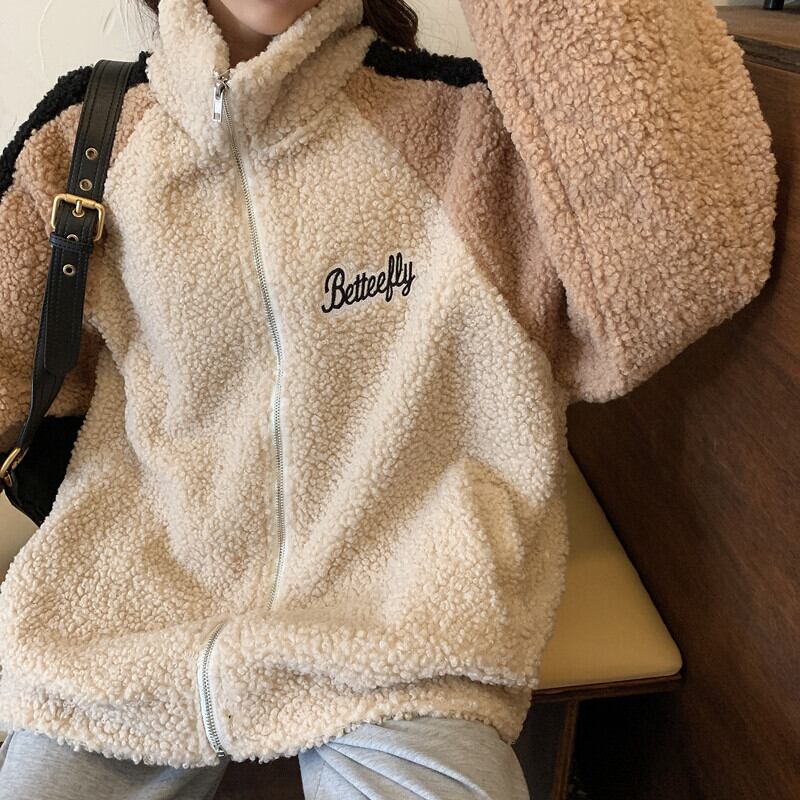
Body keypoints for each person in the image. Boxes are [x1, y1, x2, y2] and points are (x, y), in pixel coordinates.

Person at [0, 0, 778, 797]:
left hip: (405, 642)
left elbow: (689, 263)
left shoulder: (469, 129)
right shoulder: (83, 137)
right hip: (119, 640)